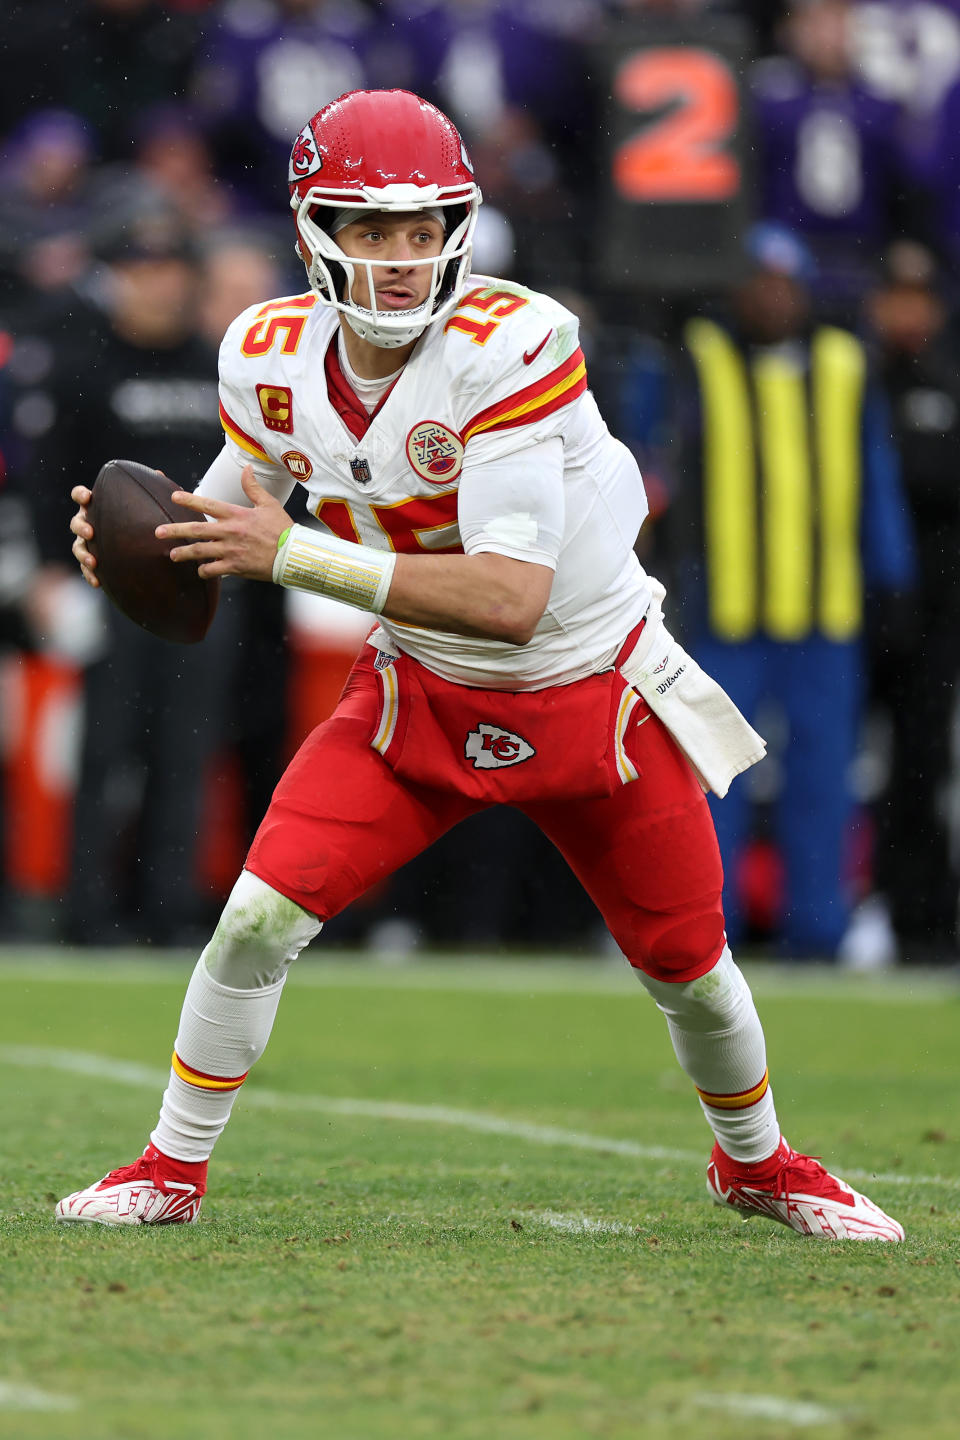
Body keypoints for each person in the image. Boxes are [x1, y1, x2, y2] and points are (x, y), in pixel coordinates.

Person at [56, 89, 903, 1240]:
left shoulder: (516, 341)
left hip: (592, 691)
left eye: (424, 227)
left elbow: (511, 601)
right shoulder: (265, 349)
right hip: (418, 690)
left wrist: (291, 552)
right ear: (315, 230)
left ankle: (757, 1164)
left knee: (690, 968)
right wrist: (143, 548)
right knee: (255, 920)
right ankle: (169, 1166)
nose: (403, 258)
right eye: (372, 230)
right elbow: (227, 519)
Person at [668, 223, 914, 959]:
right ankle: (709, 933)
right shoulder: (700, 358)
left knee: (823, 783)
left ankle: (818, 931)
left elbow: (876, 481)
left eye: (784, 282)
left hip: (822, 615)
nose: (772, 296)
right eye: (757, 281)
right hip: (726, 613)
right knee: (717, 782)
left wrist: (892, 576)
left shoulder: (844, 365)